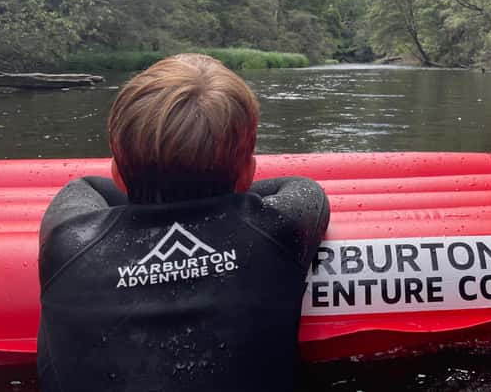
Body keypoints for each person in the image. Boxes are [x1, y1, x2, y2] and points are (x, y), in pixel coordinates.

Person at [36, 53, 330, 392]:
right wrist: (229, 199)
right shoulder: (278, 230)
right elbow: (306, 189)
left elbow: (85, 186)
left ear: (117, 172)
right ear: (248, 174)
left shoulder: (68, 243)